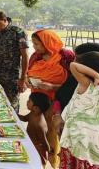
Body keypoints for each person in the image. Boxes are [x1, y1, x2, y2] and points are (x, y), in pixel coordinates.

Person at [26, 29, 71, 168]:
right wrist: (28, 81)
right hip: (37, 101)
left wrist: (52, 86)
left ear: (48, 43)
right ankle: (38, 162)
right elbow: (29, 74)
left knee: (53, 133)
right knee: (36, 133)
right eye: (33, 44)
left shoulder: (65, 58)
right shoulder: (35, 57)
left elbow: (71, 85)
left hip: (57, 103)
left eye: (37, 44)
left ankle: (54, 161)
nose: (34, 47)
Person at [0, 11, 29, 112]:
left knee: (12, 105)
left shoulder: (18, 32)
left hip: (13, 78)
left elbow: (25, 57)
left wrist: (23, 78)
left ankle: (16, 125)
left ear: (5, 20)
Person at [20, 93, 51, 168]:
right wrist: (14, 114)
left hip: (37, 150)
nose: (27, 102)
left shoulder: (39, 125)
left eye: (29, 101)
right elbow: (24, 118)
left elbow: (45, 143)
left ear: (36, 108)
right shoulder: (33, 113)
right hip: (30, 144)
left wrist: (49, 151)